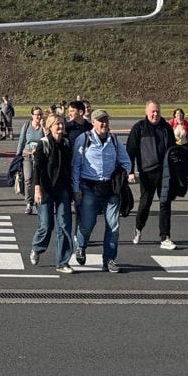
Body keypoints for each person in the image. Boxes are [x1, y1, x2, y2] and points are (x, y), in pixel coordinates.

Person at [72, 108, 136, 272]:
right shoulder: (83, 139)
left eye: (106, 120)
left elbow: (126, 161)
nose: (104, 124)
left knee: (113, 226)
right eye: (100, 120)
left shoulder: (114, 140)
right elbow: (76, 166)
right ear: (93, 122)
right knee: (87, 224)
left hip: (110, 188)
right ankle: (80, 245)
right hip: (89, 187)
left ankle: (109, 259)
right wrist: (75, 189)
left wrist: (123, 174)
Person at [28, 114, 79, 275]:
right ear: (49, 127)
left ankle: (62, 261)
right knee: (46, 225)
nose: (60, 128)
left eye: (62, 124)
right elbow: (37, 168)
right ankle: (37, 247)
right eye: (57, 125)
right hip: (45, 189)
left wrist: (74, 189)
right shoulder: (43, 145)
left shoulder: (66, 143)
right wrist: (36, 189)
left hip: (62, 189)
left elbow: (70, 168)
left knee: (64, 224)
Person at [126, 100, 179, 250]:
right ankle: (138, 228)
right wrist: (130, 171)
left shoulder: (166, 128)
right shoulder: (139, 128)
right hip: (147, 173)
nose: (155, 114)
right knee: (145, 203)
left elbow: (173, 149)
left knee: (165, 203)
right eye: (152, 112)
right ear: (146, 112)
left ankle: (165, 236)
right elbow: (130, 151)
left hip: (165, 173)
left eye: (157, 111)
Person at [12, 105, 47, 212]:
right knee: (28, 178)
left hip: (39, 156)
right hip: (27, 155)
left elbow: (47, 139)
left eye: (40, 115)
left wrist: (44, 127)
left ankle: (38, 201)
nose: (39, 117)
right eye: (37, 115)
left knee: (39, 179)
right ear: (32, 115)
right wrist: (18, 155)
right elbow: (22, 141)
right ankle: (29, 203)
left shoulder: (43, 126)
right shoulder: (27, 125)